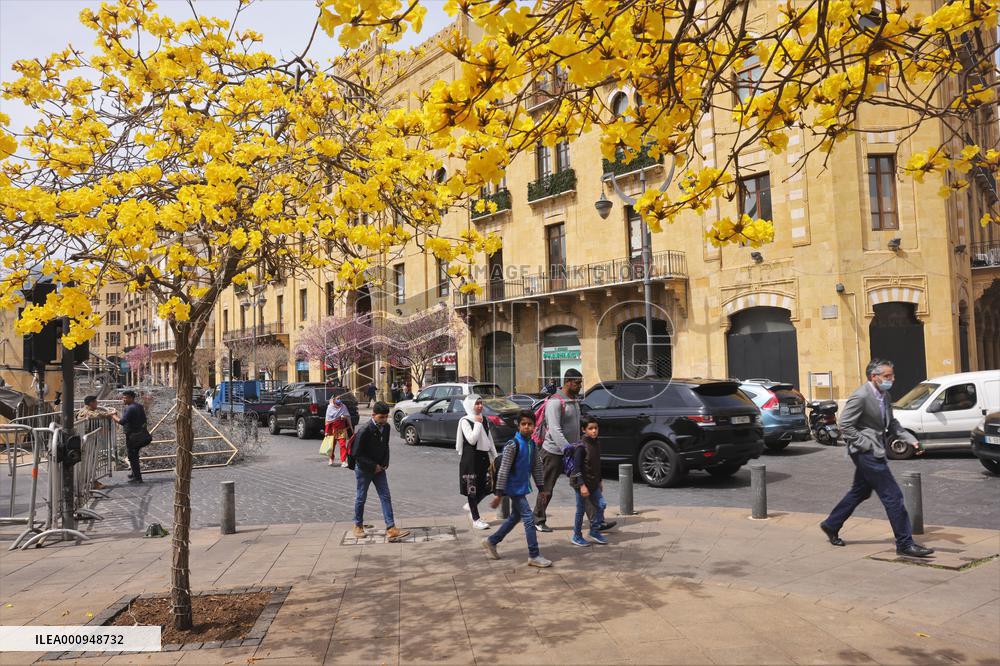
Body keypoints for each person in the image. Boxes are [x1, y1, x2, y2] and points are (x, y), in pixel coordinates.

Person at [820, 359, 935, 558]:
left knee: (860, 491)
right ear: (874, 377)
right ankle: (905, 543)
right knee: (893, 496)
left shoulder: (885, 394)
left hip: (875, 449)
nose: (892, 379)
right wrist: (866, 444)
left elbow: (892, 424)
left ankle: (831, 524)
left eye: (892, 375)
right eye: (887, 376)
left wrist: (910, 439)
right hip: (867, 452)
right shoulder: (861, 396)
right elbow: (845, 425)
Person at [482, 410, 551, 568]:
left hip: (522, 487)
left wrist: (542, 489)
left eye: (530, 424)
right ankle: (534, 555)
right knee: (528, 518)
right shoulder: (513, 445)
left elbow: (536, 468)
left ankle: (491, 541)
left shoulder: (532, 444)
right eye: (523, 424)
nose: (527, 427)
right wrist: (499, 494)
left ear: (534, 426)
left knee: (515, 517)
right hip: (513, 488)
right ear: (518, 426)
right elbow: (504, 469)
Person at [533, 368, 583, 533]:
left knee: (582, 485)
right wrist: (566, 448)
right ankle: (538, 519)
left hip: (572, 451)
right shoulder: (555, 401)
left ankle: (597, 520)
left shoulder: (574, 400)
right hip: (553, 452)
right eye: (577, 383)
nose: (580, 386)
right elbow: (554, 429)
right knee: (547, 488)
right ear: (568, 382)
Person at [352, 402, 410, 542]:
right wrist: (373, 466)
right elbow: (356, 454)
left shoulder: (387, 427)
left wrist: (385, 463)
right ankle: (358, 525)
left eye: (386, 417)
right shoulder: (364, 430)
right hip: (364, 469)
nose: (384, 420)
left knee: (385, 496)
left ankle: (391, 528)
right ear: (373, 415)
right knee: (361, 497)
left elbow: (385, 446)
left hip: (379, 468)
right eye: (381, 417)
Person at [456, 394, 496, 530]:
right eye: (477, 404)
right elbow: (471, 439)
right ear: (470, 405)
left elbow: (489, 439)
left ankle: (472, 506)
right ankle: (476, 519)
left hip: (483, 457)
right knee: (471, 489)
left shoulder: (484, 419)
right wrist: (477, 423)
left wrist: (495, 457)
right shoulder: (465, 421)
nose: (480, 406)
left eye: (481, 403)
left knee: (488, 485)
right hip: (470, 459)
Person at [569, 417, 609, 546]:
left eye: (596, 428)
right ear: (583, 430)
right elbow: (576, 468)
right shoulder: (581, 447)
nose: (594, 431)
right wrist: (582, 485)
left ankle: (594, 531)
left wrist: (600, 480)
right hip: (581, 484)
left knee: (601, 504)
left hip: (594, 483)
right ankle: (576, 536)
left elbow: (597, 464)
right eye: (590, 429)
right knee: (580, 510)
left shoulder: (596, 443)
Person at [112, 390, 147, 484]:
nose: (123, 399)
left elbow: (122, 422)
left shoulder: (130, 408)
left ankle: (138, 478)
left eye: (125, 397)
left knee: (133, 456)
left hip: (133, 436)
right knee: (134, 455)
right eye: (123, 397)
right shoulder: (138, 406)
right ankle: (134, 473)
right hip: (140, 434)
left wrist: (113, 415)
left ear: (131, 398)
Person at [325, 395, 353, 468]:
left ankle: (343, 461)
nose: (339, 400)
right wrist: (326, 431)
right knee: (332, 446)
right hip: (332, 430)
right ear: (333, 400)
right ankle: (331, 458)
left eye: (340, 398)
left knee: (343, 445)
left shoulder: (343, 407)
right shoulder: (330, 408)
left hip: (342, 430)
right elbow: (328, 420)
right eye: (337, 398)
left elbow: (348, 417)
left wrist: (345, 418)